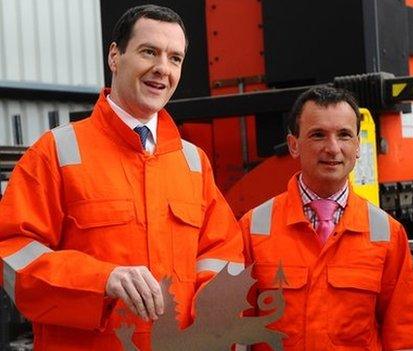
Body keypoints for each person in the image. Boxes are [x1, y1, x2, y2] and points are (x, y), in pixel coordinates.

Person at [0, 5, 243, 350]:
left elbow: (223, 253)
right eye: (149, 52)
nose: (162, 69)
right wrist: (103, 280)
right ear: (115, 56)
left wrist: (211, 317)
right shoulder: (57, 152)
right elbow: (12, 253)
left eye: (175, 58)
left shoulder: (192, 162)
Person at [239, 86, 413, 350]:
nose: (333, 148)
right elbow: (234, 333)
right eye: (318, 135)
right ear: (294, 145)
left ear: (358, 145)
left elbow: (406, 337)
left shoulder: (387, 233)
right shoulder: (254, 228)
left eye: (344, 135)